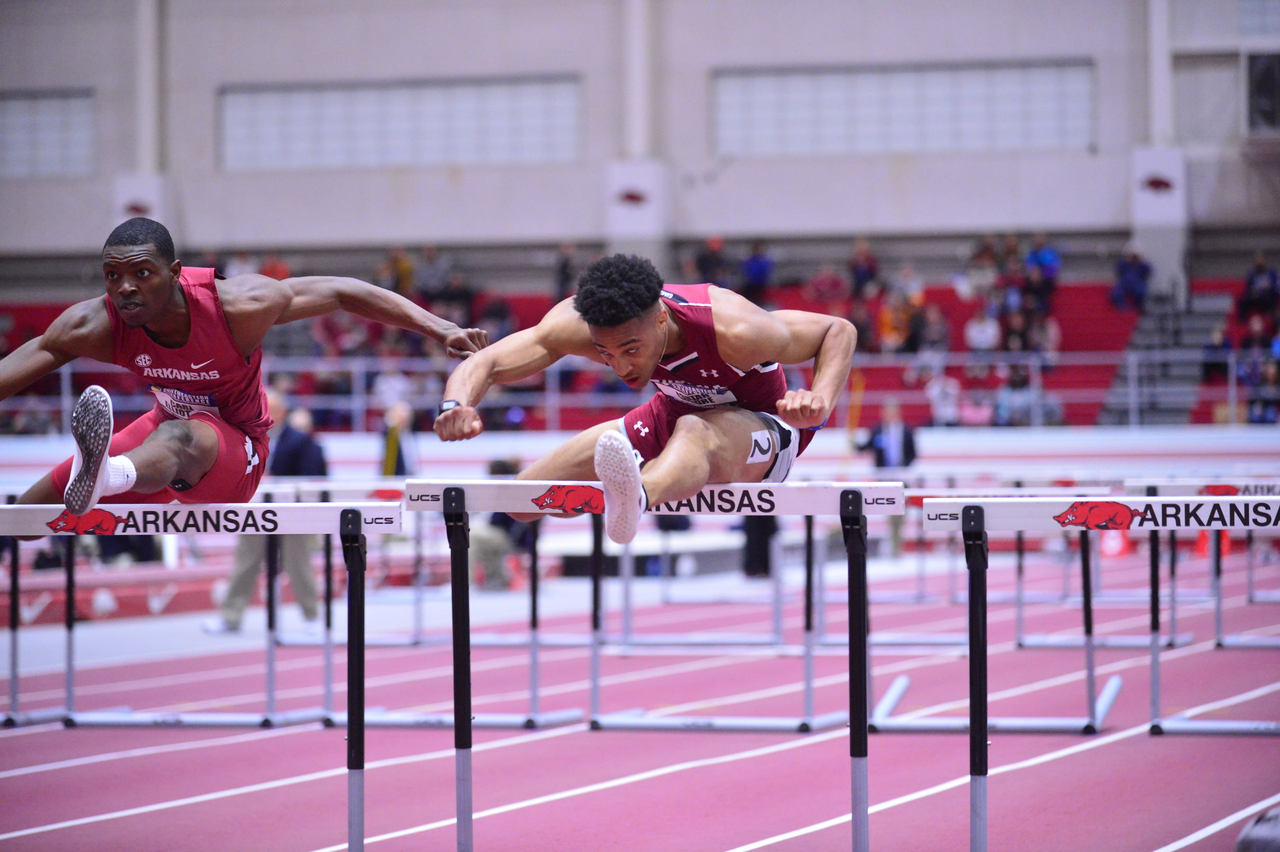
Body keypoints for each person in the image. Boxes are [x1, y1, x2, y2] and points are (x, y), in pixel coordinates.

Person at [0, 217, 486, 523]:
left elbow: (341, 289)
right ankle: (103, 474)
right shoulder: (96, 323)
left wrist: (440, 327)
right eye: (113, 276)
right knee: (27, 515)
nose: (124, 289)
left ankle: (107, 473)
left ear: (173, 274)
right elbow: (26, 361)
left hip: (237, 449)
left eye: (141, 274)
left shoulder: (237, 305)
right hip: (160, 432)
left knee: (185, 435)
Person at [434, 253, 857, 544]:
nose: (620, 368)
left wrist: (818, 403)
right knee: (523, 500)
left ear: (660, 319)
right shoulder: (577, 324)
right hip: (671, 414)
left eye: (631, 350)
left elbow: (837, 330)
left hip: (762, 427)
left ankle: (637, 495)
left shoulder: (735, 329)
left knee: (695, 431)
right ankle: (628, 491)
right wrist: (455, 405)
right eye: (605, 353)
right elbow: (486, 362)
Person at [206, 392, 325, 634]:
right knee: (245, 563)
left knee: (299, 564)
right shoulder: (245, 436)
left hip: (291, 513)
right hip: (255, 511)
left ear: (282, 412)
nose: (267, 413)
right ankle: (230, 617)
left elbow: (313, 477)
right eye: (262, 408)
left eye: (272, 408)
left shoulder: (300, 440)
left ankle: (312, 617)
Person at [854, 398, 914, 556]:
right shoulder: (877, 430)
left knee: (899, 513)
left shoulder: (907, 431)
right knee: (888, 512)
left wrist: (903, 467)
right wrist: (853, 442)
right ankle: (891, 545)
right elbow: (865, 447)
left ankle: (897, 546)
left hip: (901, 478)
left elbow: (913, 453)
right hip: (883, 478)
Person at [1112, 245, 1152, 312]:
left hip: (1137, 283)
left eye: (1135, 256)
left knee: (1140, 292)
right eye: (1132, 256)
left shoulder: (1142, 265)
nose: (1133, 258)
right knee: (1117, 292)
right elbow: (1119, 271)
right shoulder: (1124, 264)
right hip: (1125, 283)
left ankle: (1138, 307)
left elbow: (1147, 272)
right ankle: (1121, 307)